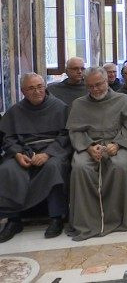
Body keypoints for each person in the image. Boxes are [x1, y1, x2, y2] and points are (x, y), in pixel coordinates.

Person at [67, 67, 127, 241]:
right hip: (89, 145)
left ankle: (117, 219)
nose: (95, 89)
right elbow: (75, 130)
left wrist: (117, 144)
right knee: (80, 167)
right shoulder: (79, 104)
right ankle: (87, 222)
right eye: (90, 86)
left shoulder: (123, 99)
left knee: (119, 166)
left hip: (117, 144)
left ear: (107, 81)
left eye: (98, 84)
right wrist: (89, 147)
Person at [0, 73, 71, 242]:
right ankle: (13, 220)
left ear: (45, 87)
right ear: (23, 91)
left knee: (53, 167)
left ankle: (56, 217)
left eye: (39, 87)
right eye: (31, 88)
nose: (36, 91)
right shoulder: (15, 111)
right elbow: (8, 138)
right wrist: (17, 154)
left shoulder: (60, 107)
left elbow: (66, 135)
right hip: (24, 152)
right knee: (7, 169)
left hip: (52, 152)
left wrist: (47, 154)